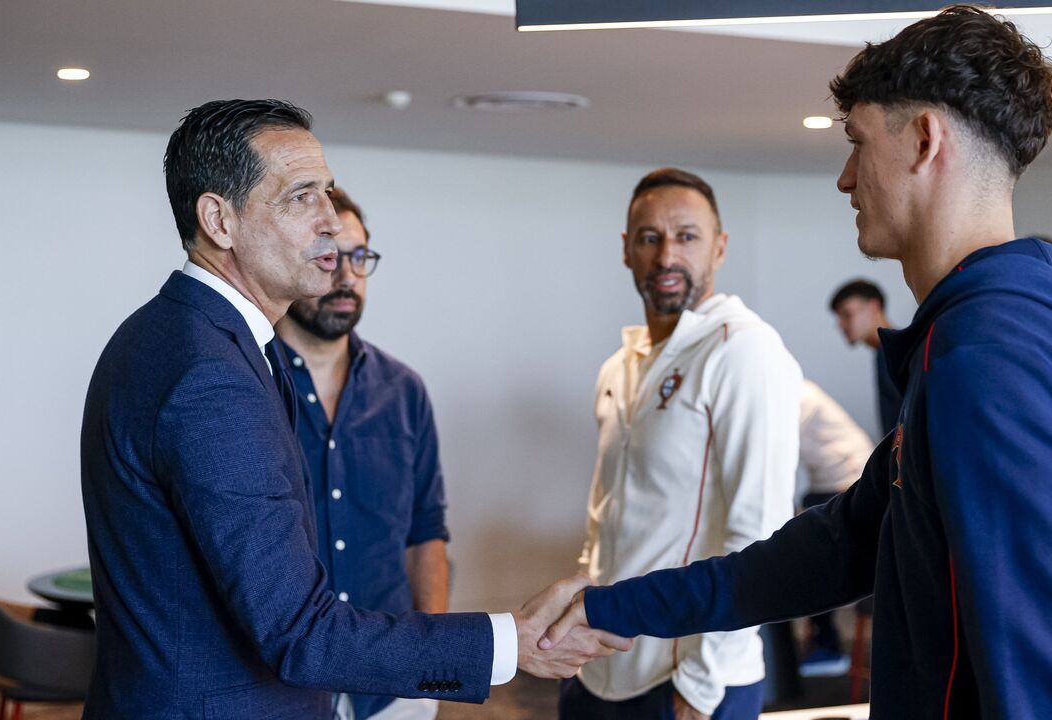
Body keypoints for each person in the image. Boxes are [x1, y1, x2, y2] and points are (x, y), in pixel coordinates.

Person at [542, 7, 1052, 718]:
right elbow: (831, 549)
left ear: (926, 140)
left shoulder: (990, 359)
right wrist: (612, 606)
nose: (845, 179)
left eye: (858, 142)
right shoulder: (1023, 332)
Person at [79, 98, 627, 719]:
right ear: (219, 221)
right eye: (300, 197)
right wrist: (509, 643)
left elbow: (422, 534)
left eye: (328, 194)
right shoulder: (211, 373)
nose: (333, 224)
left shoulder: (179, 335)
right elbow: (299, 632)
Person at [563, 168, 802, 720]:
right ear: (627, 250)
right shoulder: (620, 366)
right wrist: (579, 619)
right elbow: (606, 518)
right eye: (650, 237)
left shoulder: (745, 352)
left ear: (718, 248)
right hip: (600, 665)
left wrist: (701, 683)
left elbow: (760, 535)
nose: (667, 254)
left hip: (688, 682)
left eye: (687, 236)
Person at [273, 187, 448, 720]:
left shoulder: (404, 391)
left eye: (358, 257)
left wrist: (432, 663)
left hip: (392, 682)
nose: (346, 275)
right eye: (328, 257)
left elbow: (427, 533)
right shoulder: (249, 383)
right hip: (279, 684)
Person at [791, 380, 875, 678]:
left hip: (850, 480)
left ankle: (828, 645)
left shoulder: (797, 395)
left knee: (809, 549)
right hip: (827, 484)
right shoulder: (797, 391)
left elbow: (780, 452)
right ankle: (823, 641)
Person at [829, 279, 902, 438]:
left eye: (846, 314)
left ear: (874, 306)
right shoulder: (884, 351)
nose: (840, 325)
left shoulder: (898, 352)